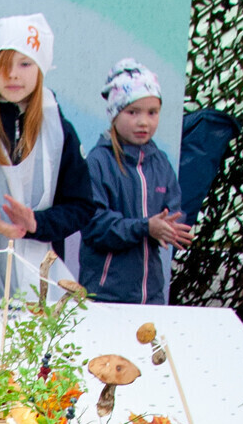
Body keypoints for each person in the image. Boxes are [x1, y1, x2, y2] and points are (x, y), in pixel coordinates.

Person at [0, 13, 95, 301]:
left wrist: (37, 223)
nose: (13, 74)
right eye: (4, 63)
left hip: (44, 280)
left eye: (25, 64)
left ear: (40, 68)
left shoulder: (60, 131)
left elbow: (81, 205)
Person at [79, 57, 191, 304]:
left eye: (152, 112)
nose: (144, 122)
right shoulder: (98, 162)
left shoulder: (161, 162)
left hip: (151, 296)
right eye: (133, 112)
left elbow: (174, 210)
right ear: (114, 114)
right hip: (104, 296)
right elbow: (94, 226)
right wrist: (146, 227)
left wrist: (171, 228)